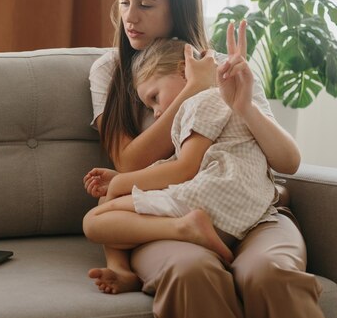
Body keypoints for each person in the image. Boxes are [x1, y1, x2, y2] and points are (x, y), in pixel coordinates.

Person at [88, 0, 324, 317]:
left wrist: (240, 104)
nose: (130, 18)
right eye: (124, 2)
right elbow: (128, 160)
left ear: (177, 8)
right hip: (170, 218)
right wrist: (190, 91)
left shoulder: (226, 68)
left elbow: (286, 161)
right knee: (191, 271)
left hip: (251, 212)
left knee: (269, 273)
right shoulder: (110, 71)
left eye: (146, 5)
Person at [83, 36, 279, 288]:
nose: (157, 113)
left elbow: (185, 168)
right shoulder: (215, 102)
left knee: (94, 221)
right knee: (109, 198)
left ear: (182, 70)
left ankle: (184, 228)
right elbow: (186, 162)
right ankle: (124, 271)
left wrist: (122, 181)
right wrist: (119, 180)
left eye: (154, 97)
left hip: (217, 197)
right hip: (225, 195)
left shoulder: (203, 100)